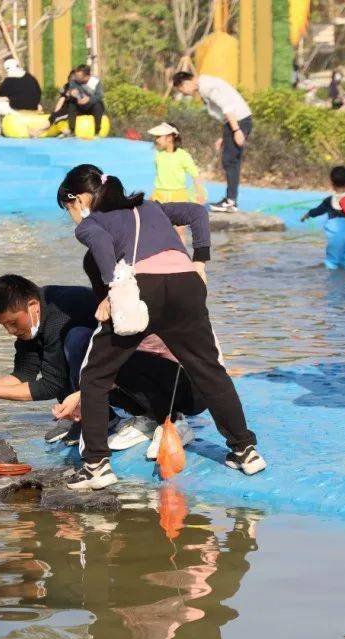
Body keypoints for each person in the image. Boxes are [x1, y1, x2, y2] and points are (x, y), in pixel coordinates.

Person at [57, 164, 266, 490]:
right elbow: (198, 212)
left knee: (95, 376)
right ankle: (245, 449)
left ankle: (96, 465)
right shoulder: (152, 208)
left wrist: (114, 288)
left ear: (80, 198)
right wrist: (199, 260)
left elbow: (98, 241)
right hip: (186, 284)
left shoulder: (91, 223)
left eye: (69, 208)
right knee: (210, 370)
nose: (72, 216)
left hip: (143, 289)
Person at [0, 274, 205, 451]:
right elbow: (24, 373)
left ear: (32, 306)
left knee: (77, 342)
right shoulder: (33, 322)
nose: (9, 331)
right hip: (124, 377)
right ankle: (104, 417)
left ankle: (162, 418)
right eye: (4, 326)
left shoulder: (57, 317)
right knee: (68, 357)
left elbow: (51, 385)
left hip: (181, 386)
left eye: (12, 323)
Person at [172, 71, 252, 213]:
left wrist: (236, 131)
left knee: (230, 161)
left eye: (182, 90)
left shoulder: (207, 87)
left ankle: (231, 202)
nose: (184, 93)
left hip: (238, 121)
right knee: (230, 161)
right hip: (235, 121)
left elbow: (227, 107)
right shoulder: (204, 86)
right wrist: (225, 135)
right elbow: (224, 113)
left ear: (186, 83)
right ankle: (230, 200)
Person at [300, 166, 345, 269]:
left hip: (335, 235)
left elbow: (317, 211)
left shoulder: (329, 201)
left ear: (332, 183)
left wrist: (307, 215)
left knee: (332, 260)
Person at [148, 122, 206, 205]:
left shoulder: (183, 155)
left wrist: (200, 193)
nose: (156, 140)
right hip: (159, 196)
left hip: (178, 197)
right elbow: (160, 179)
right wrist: (152, 196)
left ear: (169, 138)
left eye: (158, 137)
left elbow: (196, 175)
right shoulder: (158, 155)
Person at [0, 58, 42, 137]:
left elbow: (2, 97)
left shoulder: (10, 79)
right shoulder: (31, 78)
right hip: (34, 110)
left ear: (7, 68)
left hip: (19, 111)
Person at [65, 65, 104, 135]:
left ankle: (97, 130)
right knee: (71, 104)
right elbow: (69, 95)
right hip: (79, 106)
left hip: (91, 107)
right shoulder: (74, 82)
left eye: (78, 77)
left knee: (98, 105)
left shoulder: (95, 82)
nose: (76, 78)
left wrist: (89, 99)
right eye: (76, 76)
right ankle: (72, 130)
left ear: (87, 76)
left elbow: (99, 96)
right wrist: (71, 94)